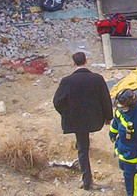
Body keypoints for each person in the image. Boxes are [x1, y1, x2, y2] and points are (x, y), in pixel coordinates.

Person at [53, 51, 113, 190]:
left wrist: (66, 113)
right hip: (94, 119)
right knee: (83, 144)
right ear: (86, 61)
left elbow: (57, 102)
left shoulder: (67, 81)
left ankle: (87, 181)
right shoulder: (97, 79)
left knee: (82, 149)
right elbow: (105, 99)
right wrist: (108, 117)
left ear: (73, 63)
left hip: (75, 120)